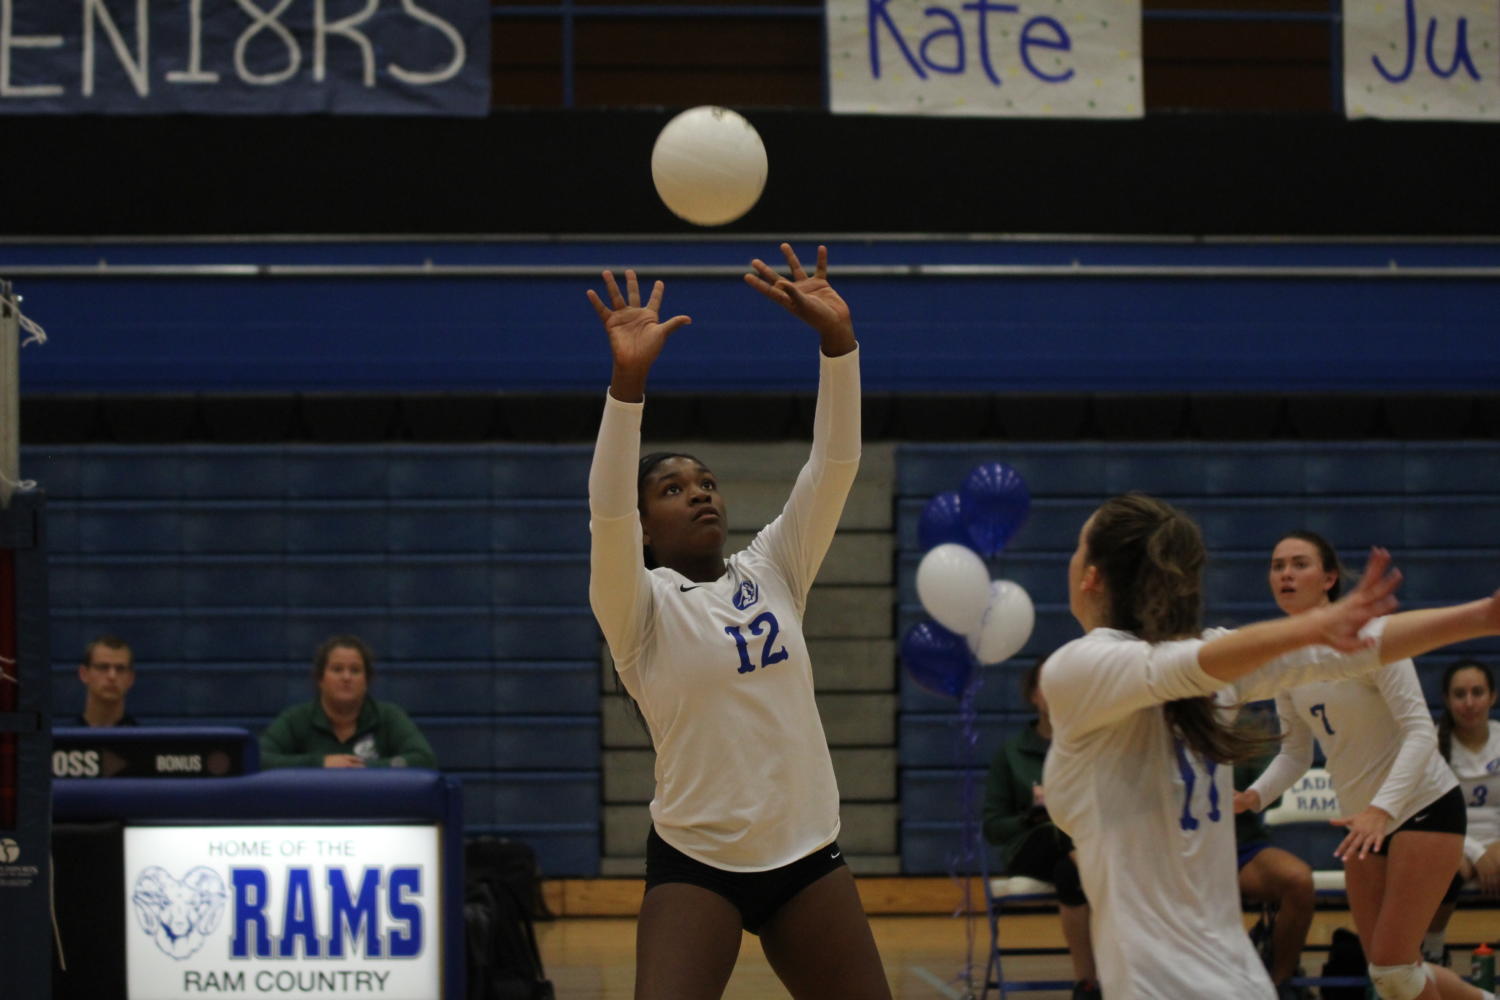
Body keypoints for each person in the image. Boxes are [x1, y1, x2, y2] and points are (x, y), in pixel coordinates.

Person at [1040, 493, 1500, 1000]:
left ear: (1091, 576)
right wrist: (1478, 616)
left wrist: (1484, 616)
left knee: (1395, 968)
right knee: (1393, 973)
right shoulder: (1207, 667)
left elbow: (1351, 650)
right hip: (1238, 982)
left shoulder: (1077, 668)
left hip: (1165, 987)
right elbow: (1326, 656)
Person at [586, 244, 890, 1000]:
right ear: (646, 526)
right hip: (698, 863)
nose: (699, 493)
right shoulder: (637, 606)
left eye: (708, 482)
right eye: (673, 487)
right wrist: (629, 382)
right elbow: (606, 510)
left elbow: (836, 463)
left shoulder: (773, 569)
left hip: (806, 858)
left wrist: (839, 342)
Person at [1236, 531, 1490, 1000]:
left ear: (1329, 578)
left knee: (1395, 970)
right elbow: (1296, 753)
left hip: (1422, 807)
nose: (1285, 574)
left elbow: (1419, 731)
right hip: (1363, 822)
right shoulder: (1284, 660)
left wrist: (1382, 809)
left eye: (1298, 564)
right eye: (1277, 565)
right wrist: (1253, 797)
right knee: (1394, 972)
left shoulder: (1372, 638)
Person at [982, 661, 1100, 1000]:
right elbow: (993, 827)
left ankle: (1087, 984)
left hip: (1074, 854)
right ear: (1035, 696)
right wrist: (1030, 817)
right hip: (1030, 847)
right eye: (1051, 685)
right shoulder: (1012, 753)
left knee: (1070, 874)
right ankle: (1099, 866)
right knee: (1056, 830)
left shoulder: (1086, 747)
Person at [1232, 712, 1316, 999]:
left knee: (1298, 880)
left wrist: (1240, 794)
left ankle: (1280, 982)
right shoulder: (1161, 723)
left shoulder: (1243, 725)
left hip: (1240, 846)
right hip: (1180, 853)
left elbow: (1274, 795)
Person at [260, 634, 436, 769]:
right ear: (320, 679)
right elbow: (259, 758)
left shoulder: (388, 716)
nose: (346, 677)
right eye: (337, 669)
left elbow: (424, 760)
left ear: (367, 680)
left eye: (355, 670)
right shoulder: (296, 719)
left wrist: (364, 767)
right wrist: (321, 763)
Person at [1424, 658, 1500, 964]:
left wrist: (1494, 849)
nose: (1469, 703)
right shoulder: (1430, 742)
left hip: (1497, 841)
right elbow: (1430, 816)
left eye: (1477, 692)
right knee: (1443, 868)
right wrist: (1475, 850)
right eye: (1460, 694)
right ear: (1446, 699)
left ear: (1492, 697)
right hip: (1449, 840)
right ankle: (1433, 948)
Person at [75, 634, 138, 727]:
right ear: (84, 674)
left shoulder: (143, 739)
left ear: (131, 678)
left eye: (120, 669)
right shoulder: (62, 738)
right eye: (103, 667)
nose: (112, 676)